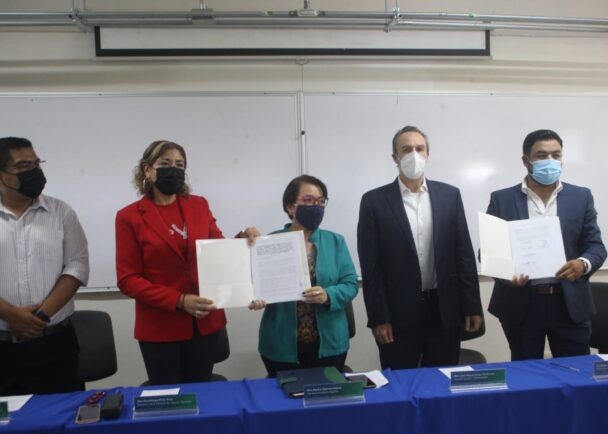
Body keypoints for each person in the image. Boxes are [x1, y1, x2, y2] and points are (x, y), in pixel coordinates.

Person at [116, 140, 259, 385]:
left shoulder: (199, 205)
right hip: (160, 327)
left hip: (205, 322)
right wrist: (180, 300)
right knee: (170, 400)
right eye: (165, 164)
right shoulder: (129, 216)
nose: (173, 170)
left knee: (202, 394)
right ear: (147, 169)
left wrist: (243, 240)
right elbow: (128, 280)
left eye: (179, 165)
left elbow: (218, 252)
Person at [357, 126, 482, 370]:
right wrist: (379, 318)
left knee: (442, 381)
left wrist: (472, 306)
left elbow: (464, 255)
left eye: (419, 148)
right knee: (400, 382)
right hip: (397, 314)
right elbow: (371, 267)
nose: (413, 154)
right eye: (406, 150)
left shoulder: (450, 195)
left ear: (427, 155)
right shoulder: (374, 201)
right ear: (395, 157)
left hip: (444, 310)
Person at [486, 129, 607, 361]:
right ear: (526, 161)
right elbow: (489, 251)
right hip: (521, 303)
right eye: (542, 155)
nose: (550, 161)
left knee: (575, 370)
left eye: (556, 155)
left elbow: (596, 247)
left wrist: (583, 264)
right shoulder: (502, 199)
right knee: (527, 372)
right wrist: (505, 274)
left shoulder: (581, 197)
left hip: (569, 302)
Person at [0, 137, 89, 395]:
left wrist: (39, 318)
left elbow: (77, 265)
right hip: (2, 347)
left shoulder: (61, 212)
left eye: (36, 164)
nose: (34, 172)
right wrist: (12, 316)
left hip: (53, 344)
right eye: (23, 166)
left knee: (61, 414)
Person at [249, 175, 358, 377]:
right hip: (280, 345)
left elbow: (351, 284)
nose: (316, 206)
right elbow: (253, 286)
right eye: (308, 200)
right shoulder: (268, 243)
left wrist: (328, 295)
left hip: (330, 344)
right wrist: (254, 297)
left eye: (321, 201)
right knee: (285, 395)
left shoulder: (335, 241)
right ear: (290, 206)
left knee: (326, 394)